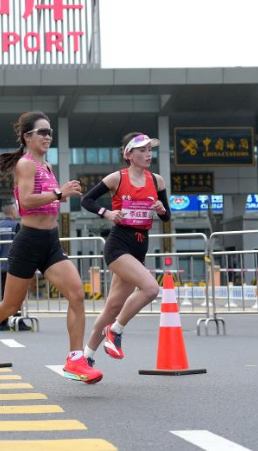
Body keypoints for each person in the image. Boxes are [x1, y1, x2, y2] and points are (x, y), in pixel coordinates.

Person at [0, 111, 101, 383]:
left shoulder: (47, 167)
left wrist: (58, 195)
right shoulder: (26, 165)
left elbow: (46, 200)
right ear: (27, 137)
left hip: (50, 241)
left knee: (77, 294)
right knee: (9, 306)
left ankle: (75, 359)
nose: (48, 136)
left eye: (50, 132)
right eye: (42, 132)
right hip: (28, 241)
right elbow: (25, 202)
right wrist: (60, 193)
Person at [80, 133, 171, 368]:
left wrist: (161, 209)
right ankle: (116, 331)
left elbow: (167, 217)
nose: (148, 154)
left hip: (140, 246)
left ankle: (86, 358)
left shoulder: (157, 181)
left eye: (150, 149)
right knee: (151, 288)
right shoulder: (116, 179)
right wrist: (107, 213)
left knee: (112, 307)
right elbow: (87, 200)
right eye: (142, 149)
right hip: (119, 245)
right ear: (128, 154)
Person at [0, 202, 26, 331]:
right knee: (17, 293)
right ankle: (18, 320)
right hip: (13, 264)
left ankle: (2, 322)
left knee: (3, 295)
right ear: (12, 211)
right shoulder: (16, 225)